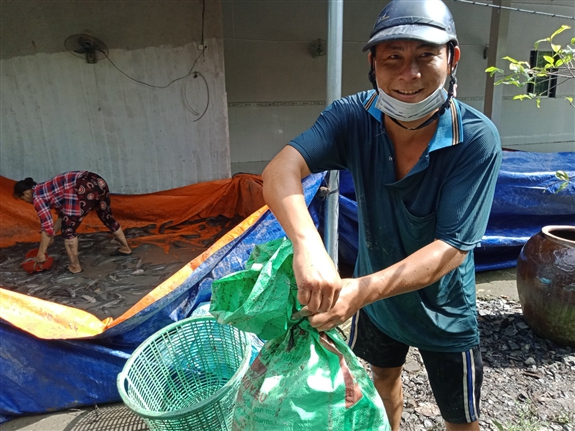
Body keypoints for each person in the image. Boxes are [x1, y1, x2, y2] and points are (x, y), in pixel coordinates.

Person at [262, 0, 502, 429]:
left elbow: (450, 250)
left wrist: (359, 292)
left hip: (442, 311)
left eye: (425, 56)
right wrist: (308, 246)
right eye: (393, 57)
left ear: (453, 58)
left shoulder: (476, 138)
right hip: (376, 303)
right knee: (383, 379)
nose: (408, 75)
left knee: (461, 417)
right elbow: (282, 170)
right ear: (373, 62)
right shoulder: (352, 117)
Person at [13, 171, 132, 274]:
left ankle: (75, 267)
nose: (26, 202)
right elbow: (63, 213)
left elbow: (46, 226)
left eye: (23, 199)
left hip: (83, 187)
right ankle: (125, 248)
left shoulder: (37, 198)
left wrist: (41, 254)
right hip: (98, 181)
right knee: (106, 216)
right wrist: (54, 231)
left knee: (68, 229)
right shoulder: (44, 188)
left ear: (26, 193)